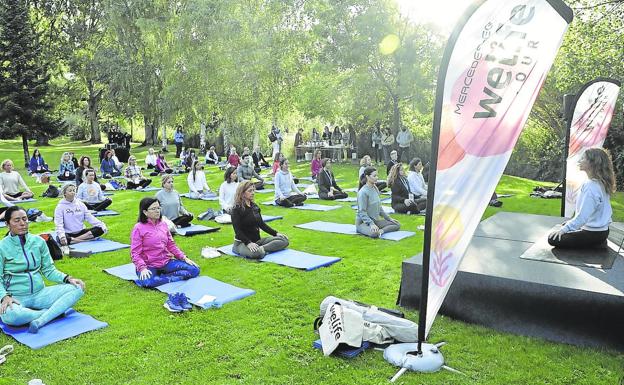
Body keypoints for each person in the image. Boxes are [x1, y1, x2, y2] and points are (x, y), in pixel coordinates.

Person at [0, 206, 85, 334]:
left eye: (24, 219)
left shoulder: (39, 242)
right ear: (7, 224)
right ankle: (51, 313)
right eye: (17, 220)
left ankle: (40, 320)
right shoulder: (2, 246)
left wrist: (67, 278)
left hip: (40, 294)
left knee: (77, 288)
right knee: (13, 316)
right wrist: (4, 297)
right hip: (15, 297)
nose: (22, 223)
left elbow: (49, 270)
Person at [548, 148, 616, 249]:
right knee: (564, 226)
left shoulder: (591, 187)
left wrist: (564, 230)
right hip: (603, 231)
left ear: (592, 163)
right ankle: (598, 242)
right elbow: (591, 213)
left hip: (593, 234)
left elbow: (582, 217)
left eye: (583, 158)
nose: (580, 161)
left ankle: (595, 243)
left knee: (552, 238)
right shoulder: (600, 182)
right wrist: (570, 225)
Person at [130, 197, 200, 290]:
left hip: (166, 262)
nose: (157, 211)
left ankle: (161, 277)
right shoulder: (138, 228)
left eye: (158, 208)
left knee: (194, 270)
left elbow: (171, 245)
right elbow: (135, 253)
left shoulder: (163, 224)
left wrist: (183, 257)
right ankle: (165, 277)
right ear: (145, 212)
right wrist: (142, 268)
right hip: (148, 265)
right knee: (148, 282)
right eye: (153, 209)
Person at [231, 181, 289, 259]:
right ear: (242, 193)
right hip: (242, 243)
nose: (253, 193)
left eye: (253, 190)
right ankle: (259, 250)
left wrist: (276, 233)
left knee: (284, 240)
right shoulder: (236, 209)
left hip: (257, 241)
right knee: (256, 253)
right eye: (250, 191)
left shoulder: (255, 207)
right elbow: (237, 231)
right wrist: (248, 243)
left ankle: (262, 249)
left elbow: (261, 224)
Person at [357, 167, 400, 238]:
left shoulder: (375, 189)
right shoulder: (363, 192)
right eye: (374, 176)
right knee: (374, 234)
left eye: (377, 175)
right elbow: (362, 212)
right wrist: (371, 224)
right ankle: (373, 231)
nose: (377, 178)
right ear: (367, 177)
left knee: (397, 224)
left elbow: (379, 208)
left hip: (375, 221)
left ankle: (381, 231)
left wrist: (389, 219)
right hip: (363, 222)